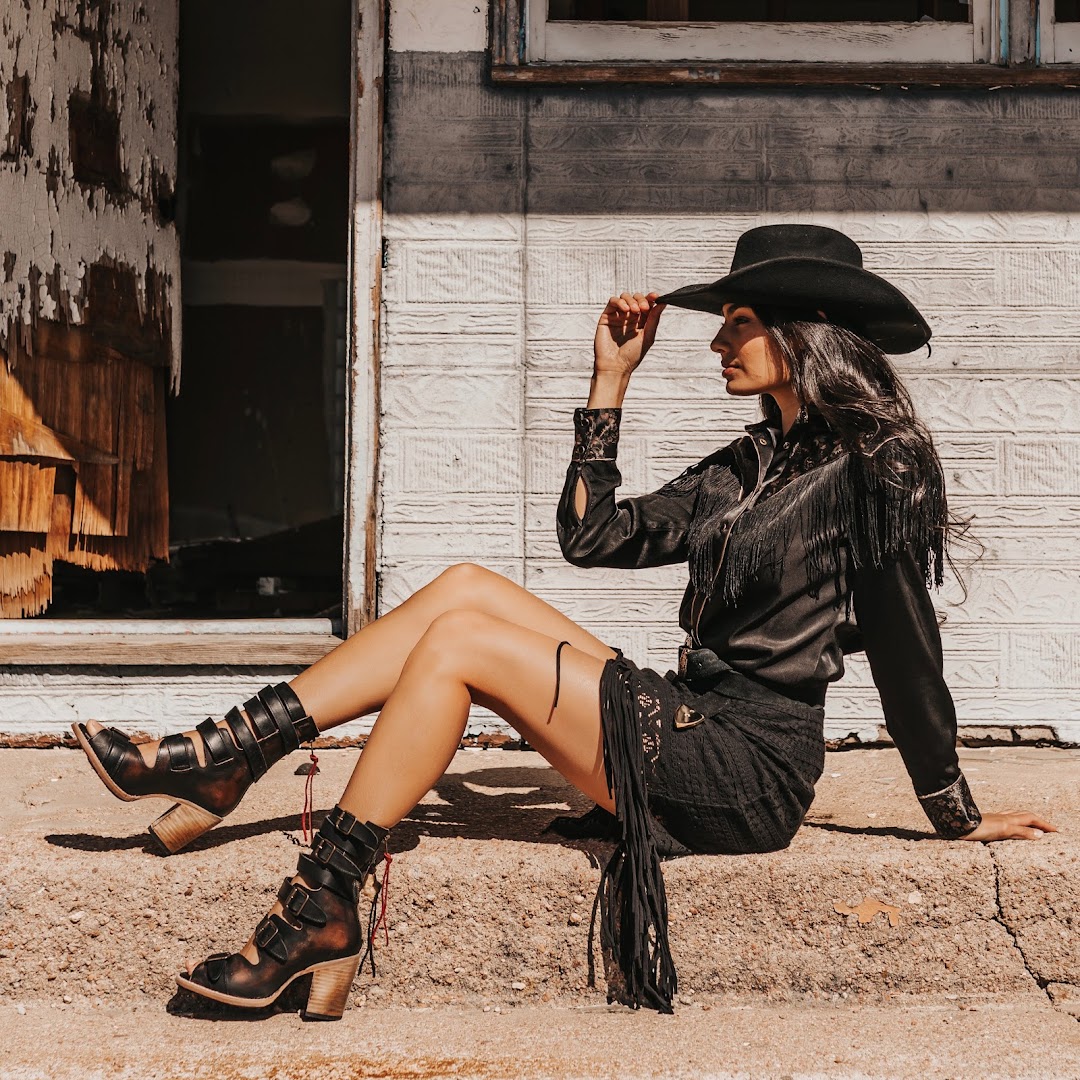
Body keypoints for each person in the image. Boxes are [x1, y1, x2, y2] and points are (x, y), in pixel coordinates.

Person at [71, 224, 1057, 1020]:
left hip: (749, 770)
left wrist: (953, 808)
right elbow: (595, 537)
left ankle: (318, 903)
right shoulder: (746, 465)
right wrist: (610, 382)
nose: (717, 342)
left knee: (459, 645)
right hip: (692, 717)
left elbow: (908, 648)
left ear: (806, 333)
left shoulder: (870, 472)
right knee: (463, 588)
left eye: (739, 323)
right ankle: (232, 754)